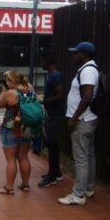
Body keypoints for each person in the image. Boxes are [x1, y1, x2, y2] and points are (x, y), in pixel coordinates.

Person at [58, 41, 99, 206]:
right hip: (88, 118)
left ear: (84, 55)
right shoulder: (88, 69)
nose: (74, 55)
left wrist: (74, 118)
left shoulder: (88, 71)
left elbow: (87, 97)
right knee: (89, 154)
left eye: (76, 53)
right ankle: (88, 188)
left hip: (83, 120)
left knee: (81, 158)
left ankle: (78, 195)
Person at [0, 69, 35, 194]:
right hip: (27, 127)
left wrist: (4, 90)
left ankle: (9, 187)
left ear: (11, 81)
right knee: (23, 156)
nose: (5, 82)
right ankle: (25, 184)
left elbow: (0, 104)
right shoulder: (29, 88)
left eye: (7, 80)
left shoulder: (11, 93)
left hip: (11, 127)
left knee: (11, 159)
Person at [38, 50, 65, 188]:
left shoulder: (55, 76)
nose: (40, 63)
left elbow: (60, 95)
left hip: (55, 116)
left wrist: (46, 101)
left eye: (42, 60)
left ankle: (52, 176)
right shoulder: (52, 75)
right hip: (53, 115)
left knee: (52, 145)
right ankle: (57, 172)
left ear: (47, 61)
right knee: (53, 145)